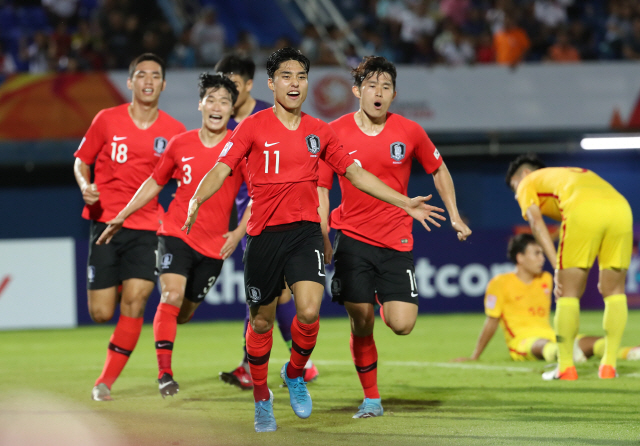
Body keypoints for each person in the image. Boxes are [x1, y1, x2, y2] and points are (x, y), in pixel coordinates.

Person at [182, 47, 445, 433]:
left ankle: (294, 373)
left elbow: (355, 174)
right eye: (286, 77)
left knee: (308, 312)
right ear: (271, 84)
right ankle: (261, 400)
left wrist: (405, 202)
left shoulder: (320, 132)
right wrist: (195, 199)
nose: (294, 84)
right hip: (263, 236)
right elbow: (222, 168)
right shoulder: (252, 127)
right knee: (261, 323)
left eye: (301, 77)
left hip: (305, 233)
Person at [317, 56, 471, 419]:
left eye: (386, 87)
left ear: (394, 94)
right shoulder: (334, 131)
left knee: (402, 324)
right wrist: (323, 235)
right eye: (372, 85)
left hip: (397, 240)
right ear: (357, 91)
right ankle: (371, 398)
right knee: (362, 322)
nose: (379, 93)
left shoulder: (410, 131)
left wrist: (454, 215)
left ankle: (376, 294)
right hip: (352, 238)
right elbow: (321, 190)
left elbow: (439, 169)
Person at [95, 73, 247, 398]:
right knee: (171, 296)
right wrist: (123, 215)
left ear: (231, 109)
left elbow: (260, 195)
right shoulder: (181, 143)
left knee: (184, 313)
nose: (217, 106)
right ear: (201, 105)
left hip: (214, 245)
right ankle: (165, 374)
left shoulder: (240, 146)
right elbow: (155, 182)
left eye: (224, 101)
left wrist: (238, 232)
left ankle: (169, 331)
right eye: (211, 100)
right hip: (177, 231)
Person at [73, 53, 186, 401]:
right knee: (100, 312)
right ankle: (120, 284)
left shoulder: (174, 131)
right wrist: (84, 185)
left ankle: (103, 383)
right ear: (130, 82)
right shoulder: (106, 120)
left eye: (155, 75)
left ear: (163, 84)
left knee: (136, 301)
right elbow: (81, 160)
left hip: (147, 227)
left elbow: (189, 178)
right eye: (141, 74)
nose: (148, 80)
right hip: (105, 223)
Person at [213, 54, 319, 390]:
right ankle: (299, 365)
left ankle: (268, 366)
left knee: (272, 298)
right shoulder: (223, 120)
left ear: (248, 84)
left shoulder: (270, 115)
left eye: (231, 84)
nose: (224, 92)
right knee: (275, 297)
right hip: (253, 216)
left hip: (273, 218)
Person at [505, 154, 633, 380]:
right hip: (622, 209)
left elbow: (535, 222)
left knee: (568, 292)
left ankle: (565, 367)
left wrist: (556, 266)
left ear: (524, 174)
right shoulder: (565, 174)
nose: (516, 195)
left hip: (584, 210)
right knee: (614, 292)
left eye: (514, 187)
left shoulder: (528, 181)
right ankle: (608, 366)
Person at [454, 234, 640, 364]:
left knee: (595, 342)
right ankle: (564, 353)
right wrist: (475, 355)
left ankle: (631, 352)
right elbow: (491, 321)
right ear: (520, 257)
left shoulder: (546, 279)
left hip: (551, 334)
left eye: (542, 253)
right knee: (545, 346)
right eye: (536, 253)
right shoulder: (499, 283)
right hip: (523, 342)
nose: (542, 259)